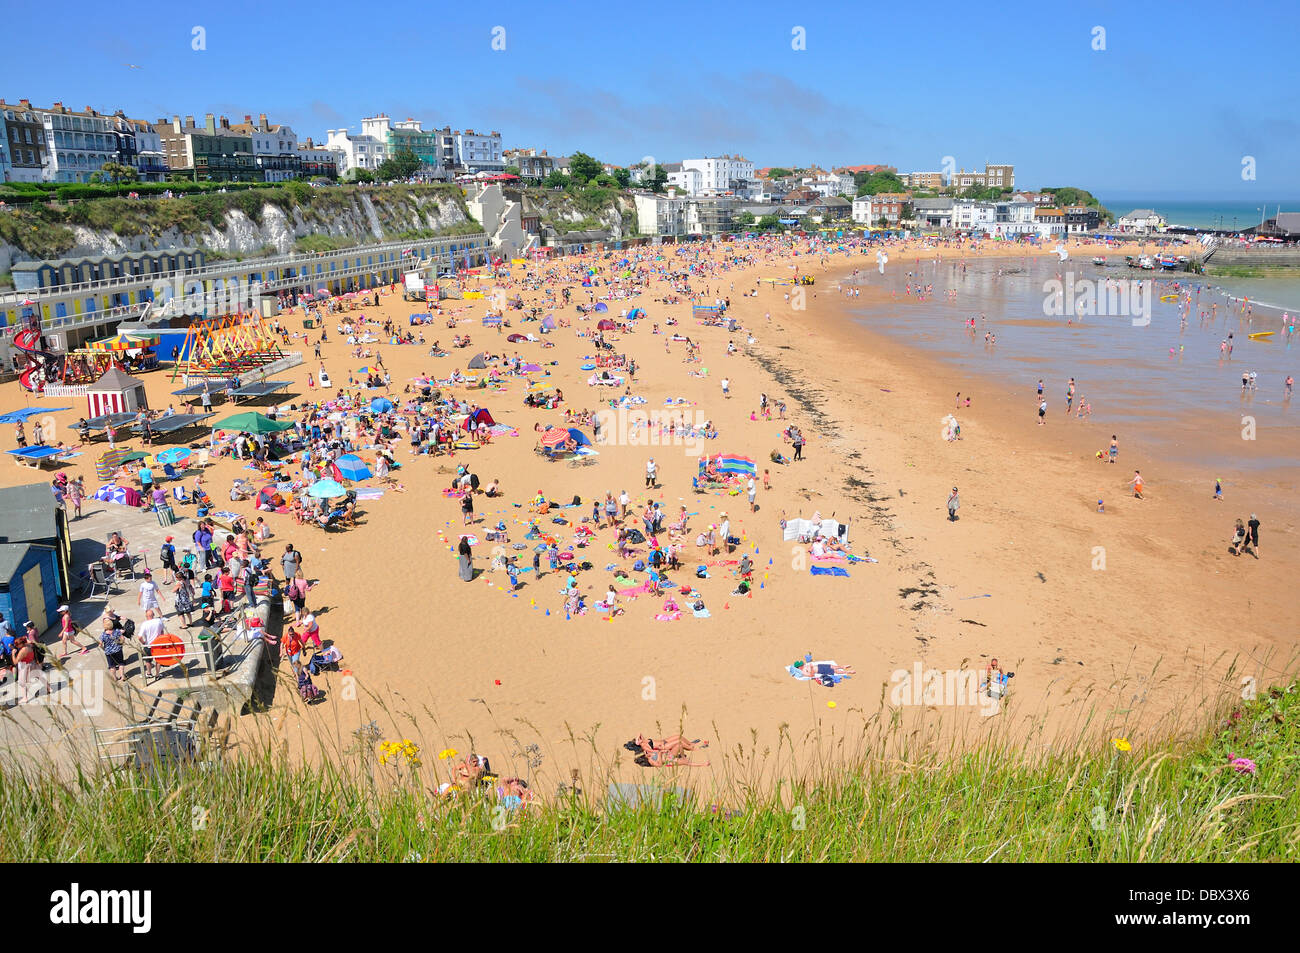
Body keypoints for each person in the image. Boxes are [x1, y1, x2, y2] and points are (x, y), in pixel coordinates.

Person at [136, 607, 165, 679]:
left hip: (148, 645)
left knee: (148, 660)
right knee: (158, 660)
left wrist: (144, 643)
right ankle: (157, 675)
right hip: (158, 644)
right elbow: (162, 632)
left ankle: (149, 673)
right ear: (153, 615)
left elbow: (139, 637)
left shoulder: (145, 624)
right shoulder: (159, 621)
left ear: (146, 616)